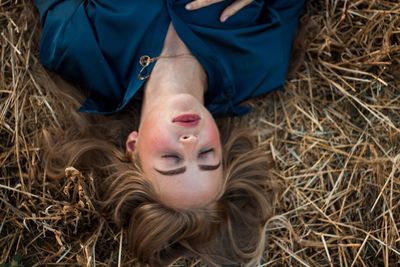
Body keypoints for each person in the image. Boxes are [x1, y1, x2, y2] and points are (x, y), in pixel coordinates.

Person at [35, 0, 305, 265]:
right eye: (207, 155)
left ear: (133, 146)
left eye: (171, 160)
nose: (189, 142)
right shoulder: (262, 63)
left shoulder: (78, 48)